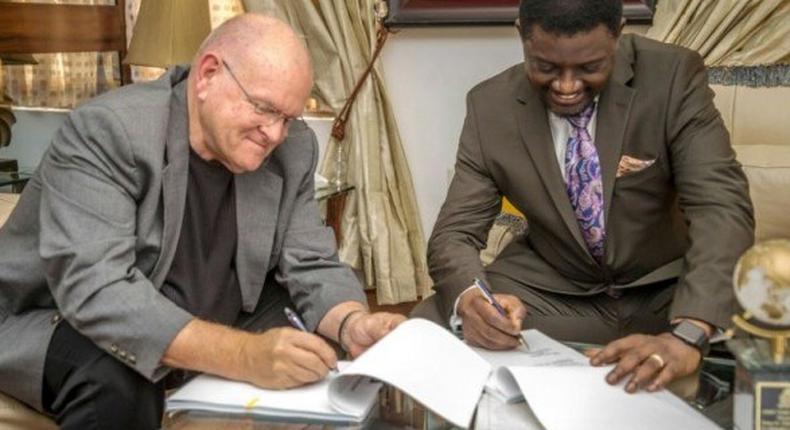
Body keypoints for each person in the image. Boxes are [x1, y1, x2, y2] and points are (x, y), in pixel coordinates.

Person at [0, 13, 404, 429]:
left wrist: (353, 323)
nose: (276, 134)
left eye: (288, 117)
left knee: (315, 337)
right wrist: (246, 356)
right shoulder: (109, 129)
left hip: (206, 310)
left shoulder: (292, 150)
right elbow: (99, 289)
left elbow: (311, 260)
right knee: (118, 370)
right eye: (265, 109)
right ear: (208, 75)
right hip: (54, 318)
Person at [417, 0, 754, 394]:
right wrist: (472, 301)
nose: (566, 86)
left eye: (589, 68)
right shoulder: (489, 106)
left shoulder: (672, 76)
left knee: (760, 347)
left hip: (666, 290)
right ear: (522, 34)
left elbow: (721, 204)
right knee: (426, 326)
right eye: (546, 67)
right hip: (555, 292)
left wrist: (690, 333)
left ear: (619, 32)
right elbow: (454, 234)